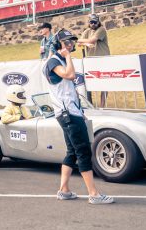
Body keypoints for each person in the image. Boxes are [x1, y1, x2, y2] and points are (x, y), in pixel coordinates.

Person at [44, 29, 113, 205]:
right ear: (58, 44)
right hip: (67, 114)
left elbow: (70, 89)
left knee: (72, 151)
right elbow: (70, 75)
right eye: (67, 42)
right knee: (83, 152)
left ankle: (64, 190)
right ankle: (94, 194)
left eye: (72, 41)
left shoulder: (60, 60)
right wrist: (67, 56)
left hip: (70, 112)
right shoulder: (54, 61)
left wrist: (80, 111)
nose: (71, 44)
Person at [77, 14, 110, 107]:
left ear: (98, 22)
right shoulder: (87, 31)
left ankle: (102, 106)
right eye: (91, 22)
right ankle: (90, 105)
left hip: (103, 60)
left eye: (95, 22)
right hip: (91, 61)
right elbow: (78, 42)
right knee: (90, 83)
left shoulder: (101, 29)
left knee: (104, 84)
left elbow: (92, 40)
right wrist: (86, 44)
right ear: (89, 22)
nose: (93, 24)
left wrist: (84, 41)